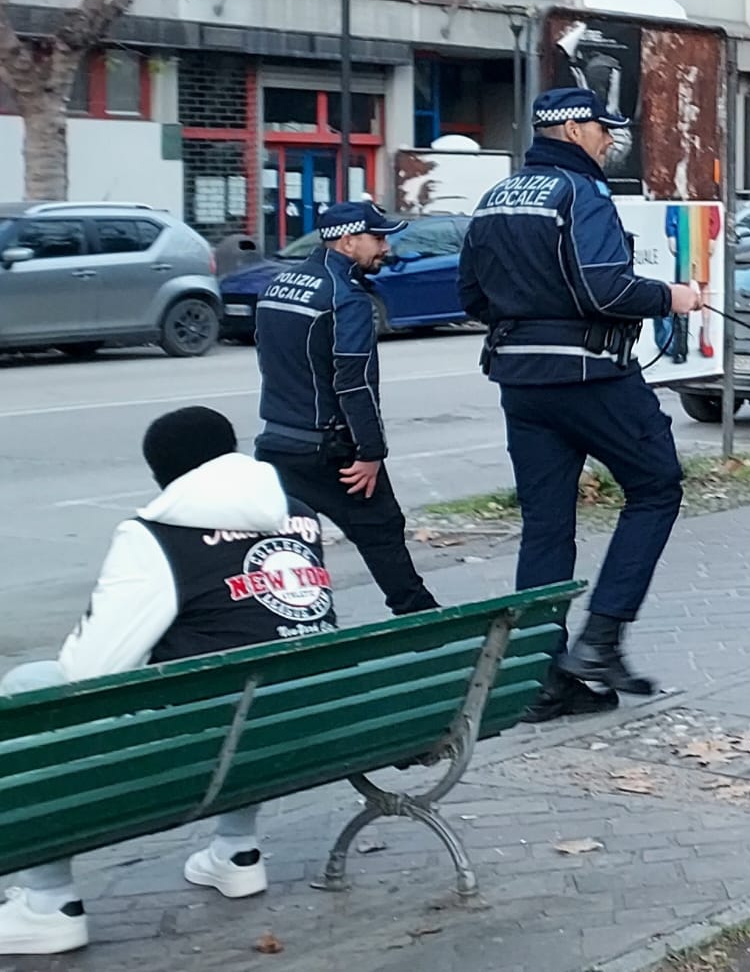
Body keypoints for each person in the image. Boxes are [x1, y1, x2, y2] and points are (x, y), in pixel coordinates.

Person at [0, 407, 337, 956]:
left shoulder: (156, 534)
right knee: (252, 678)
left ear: (165, 476)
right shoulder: (298, 514)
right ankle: (236, 851)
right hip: (308, 724)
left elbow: (89, 672)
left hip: (198, 741)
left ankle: (48, 904)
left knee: (31, 687)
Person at [457, 86, 701, 722]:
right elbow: (605, 288)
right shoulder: (580, 193)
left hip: (521, 382)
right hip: (591, 373)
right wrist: (670, 296)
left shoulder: (495, 198)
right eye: (601, 129)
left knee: (545, 524)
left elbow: (472, 298)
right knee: (657, 486)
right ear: (570, 129)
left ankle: (541, 678)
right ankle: (600, 640)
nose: (607, 140)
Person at [254, 201, 437, 616]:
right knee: (383, 534)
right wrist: (370, 452)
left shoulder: (278, 286)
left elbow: (270, 361)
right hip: (331, 450)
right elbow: (354, 383)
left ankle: (297, 627)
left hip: (277, 444)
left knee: (289, 549)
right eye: (378, 238)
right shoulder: (347, 299)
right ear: (348, 241)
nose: (386, 248)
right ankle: (431, 636)